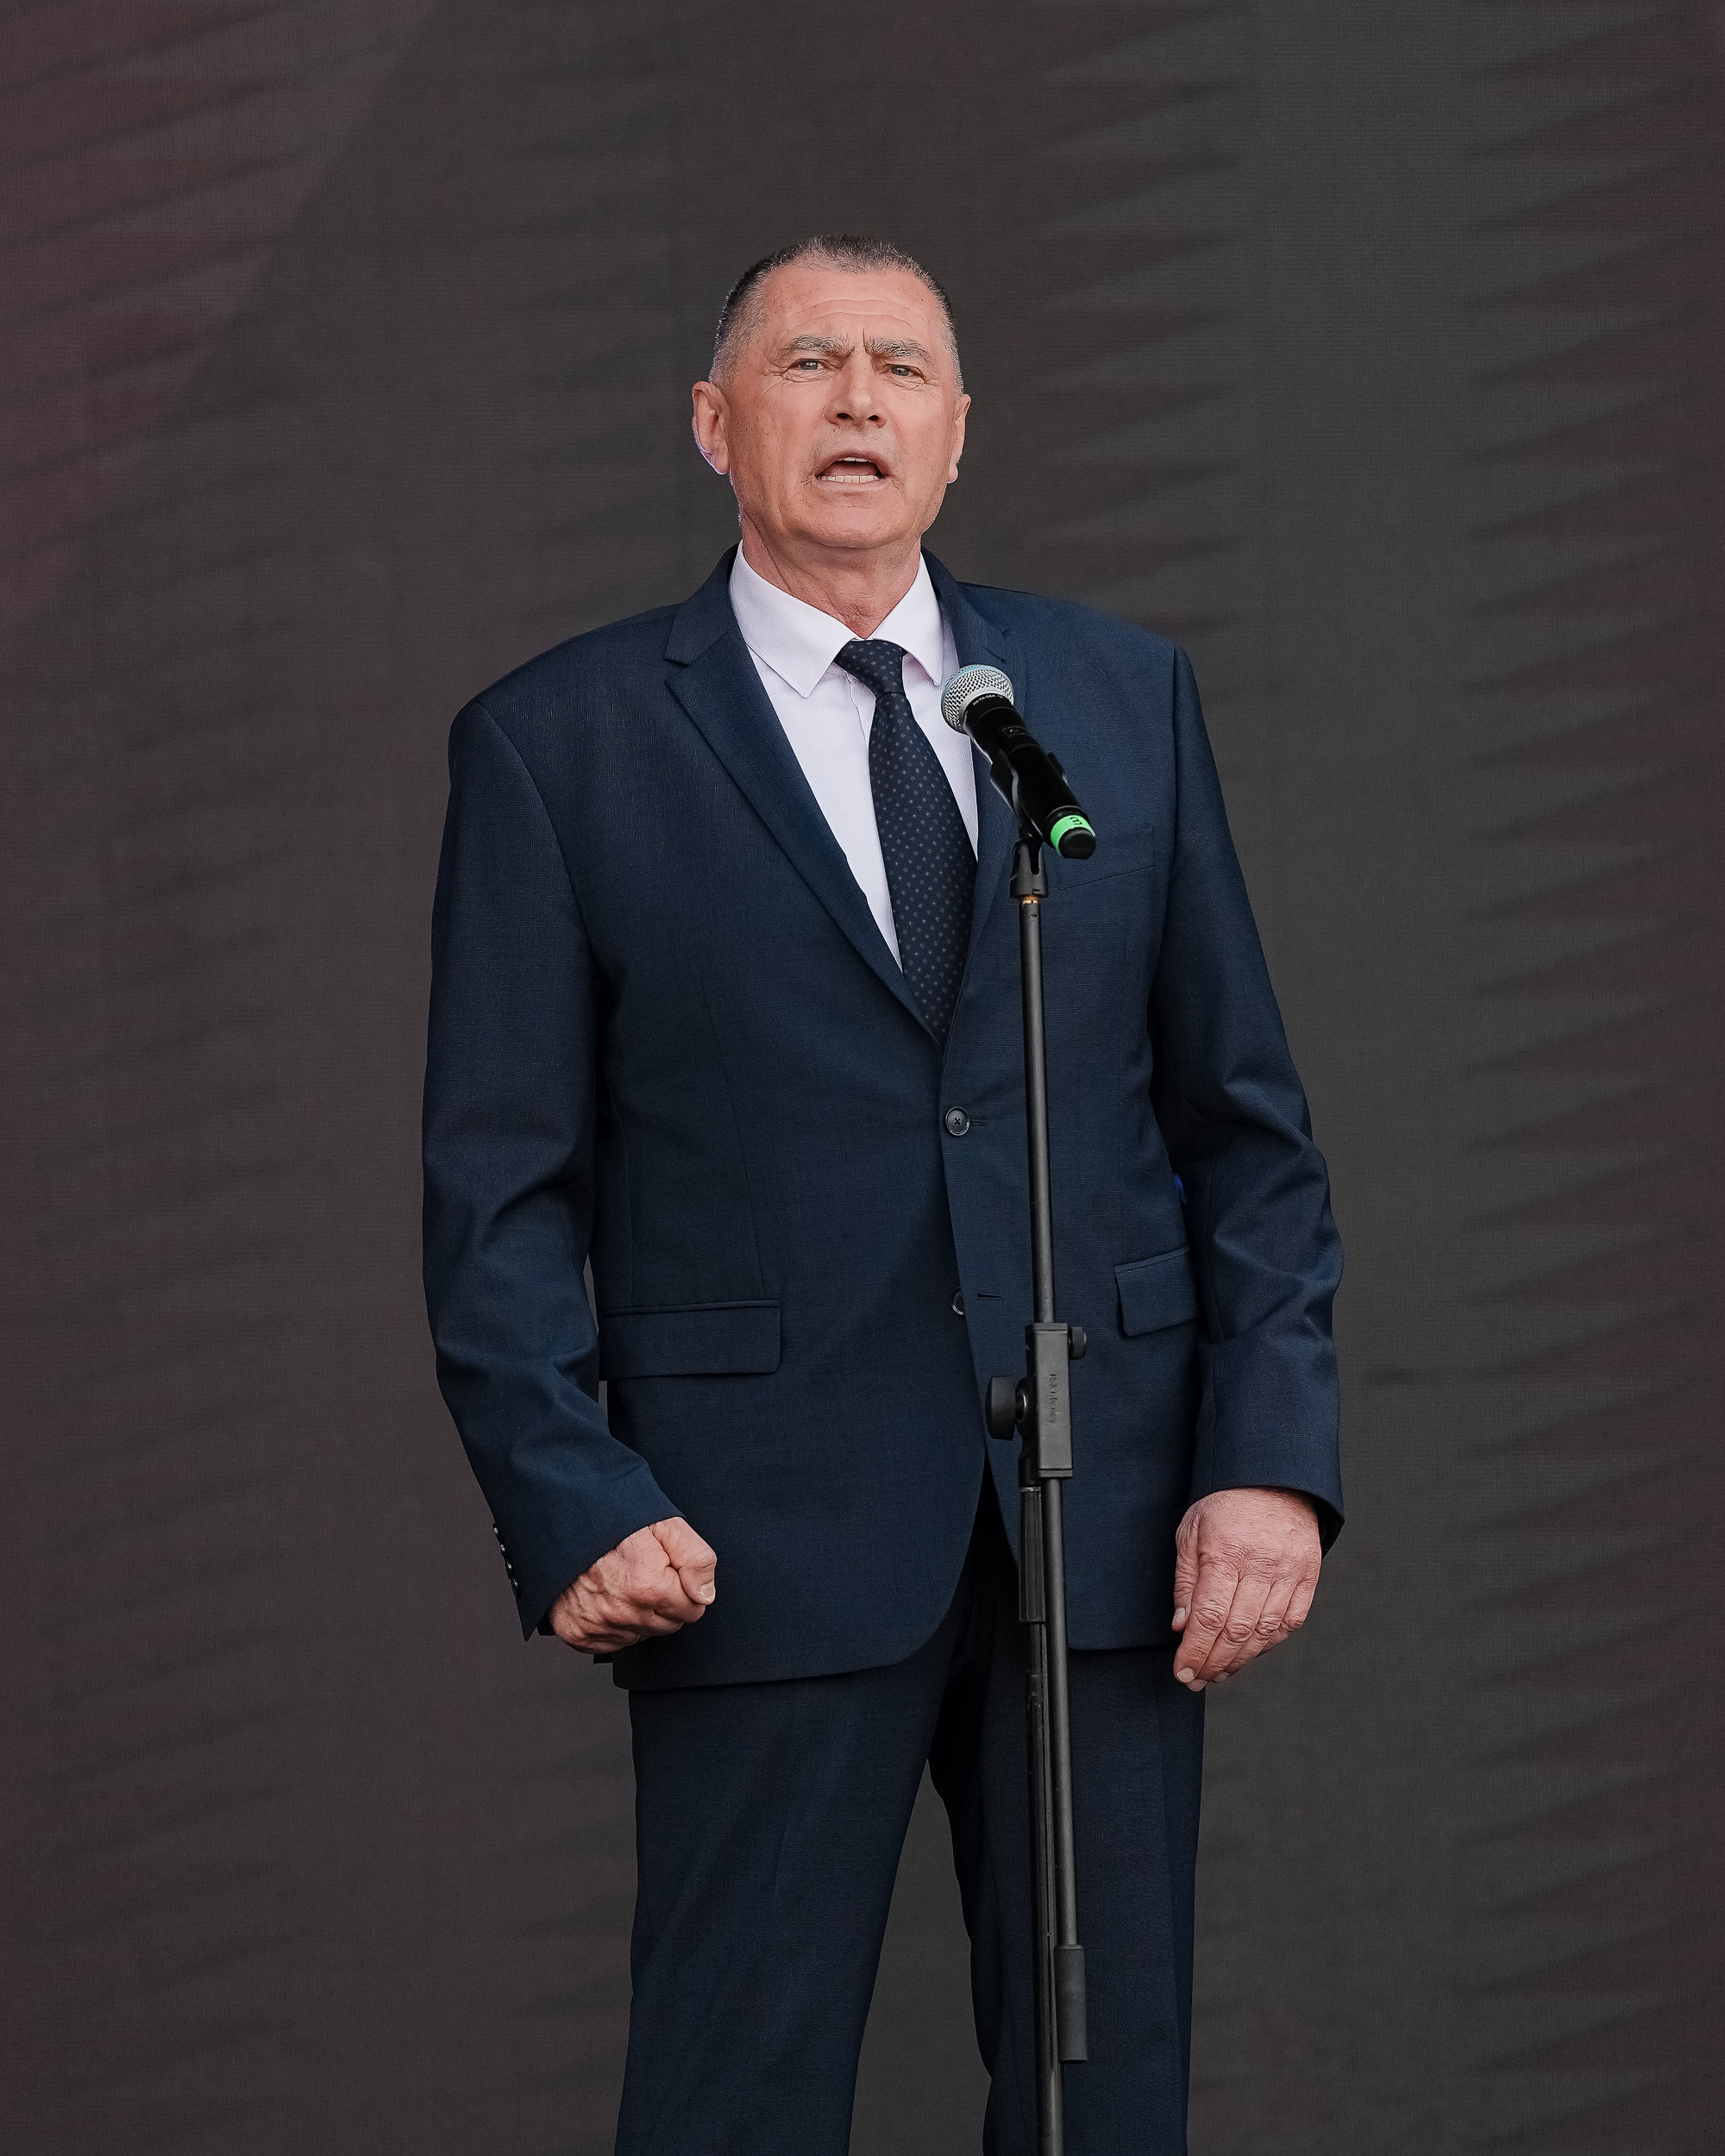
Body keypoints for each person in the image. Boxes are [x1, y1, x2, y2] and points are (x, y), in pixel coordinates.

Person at [423, 234, 1342, 2156]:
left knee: (1105, 2098)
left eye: (902, 368)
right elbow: (498, 1188)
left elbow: (1242, 1124)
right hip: (749, 1530)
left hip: (1101, 1522)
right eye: (809, 362)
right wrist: (574, 1490)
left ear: (958, 431)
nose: (858, 402)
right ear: (713, 422)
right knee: (732, 2096)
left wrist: (1266, 1457)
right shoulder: (559, 741)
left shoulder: (1108, 700)